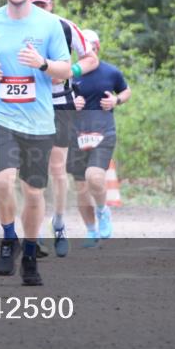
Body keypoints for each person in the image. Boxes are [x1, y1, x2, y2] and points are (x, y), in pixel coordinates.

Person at [0, 0, 72, 286]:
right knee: (2, 181)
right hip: (2, 117)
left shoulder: (49, 24)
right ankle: (8, 237)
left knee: (34, 192)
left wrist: (41, 63)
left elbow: (66, 70)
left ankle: (29, 254)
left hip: (39, 122)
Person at [29, 0, 99, 257]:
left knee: (57, 169)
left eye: (42, 5)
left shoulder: (66, 27)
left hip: (60, 104)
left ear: (51, 5)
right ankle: (33, 233)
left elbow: (91, 59)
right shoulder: (16, 27)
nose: (38, 10)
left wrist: (72, 72)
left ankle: (58, 224)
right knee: (33, 171)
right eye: (34, 5)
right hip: (29, 104)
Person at [67, 30, 131, 246]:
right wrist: (70, 104)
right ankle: (91, 230)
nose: (86, 53)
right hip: (75, 135)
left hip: (104, 132)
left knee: (94, 177)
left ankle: (103, 211)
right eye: (82, 49)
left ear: (98, 47)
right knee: (81, 187)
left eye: (90, 48)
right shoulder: (69, 74)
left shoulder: (111, 72)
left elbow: (126, 91)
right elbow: (55, 100)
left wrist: (116, 101)